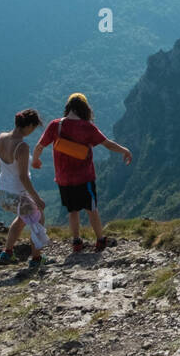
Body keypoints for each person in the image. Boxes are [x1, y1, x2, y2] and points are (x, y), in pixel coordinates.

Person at [32, 92, 132, 254]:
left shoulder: (55, 125)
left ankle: (76, 241)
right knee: (91, 209)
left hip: (63, 178)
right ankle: (100, 240)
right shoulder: (87, 127)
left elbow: (39, 146)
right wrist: (124, 150)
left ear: (68, 107)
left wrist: (35, 161)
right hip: (84, 177)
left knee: (73, 211)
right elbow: (107, 144)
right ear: (85, 108)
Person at [0, 109, 49, 268]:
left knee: (22, 218)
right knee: (38, 218)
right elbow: (23, 177)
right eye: (34, 127)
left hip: (3, 196)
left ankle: (7, 252)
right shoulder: (22, 147)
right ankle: (36, 259)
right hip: (17, 196)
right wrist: (37, 199)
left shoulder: (1, 138)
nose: (33, 131)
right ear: (29, 126)